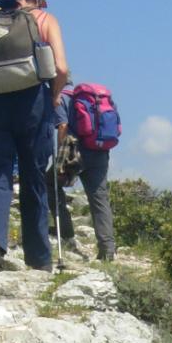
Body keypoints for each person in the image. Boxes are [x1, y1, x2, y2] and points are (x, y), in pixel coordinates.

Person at [0, 0, 69, 274]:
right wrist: (54, 97)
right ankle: (39, 258)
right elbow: (61, 67)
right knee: (33, 178)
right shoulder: (45, 19)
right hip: (32, 103)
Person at [49, 84, 117, 262]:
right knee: (99, 198)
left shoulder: (61, 98)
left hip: (76, 152)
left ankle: (65, 233)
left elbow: (63, 126)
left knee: (50, 185)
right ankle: (107, 249)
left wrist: (61, 161)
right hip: (100, 151)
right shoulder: (94, 98)